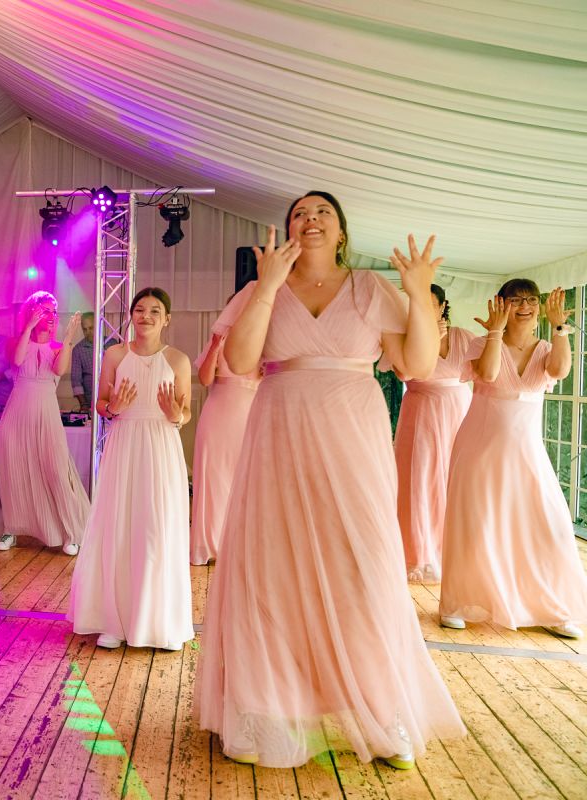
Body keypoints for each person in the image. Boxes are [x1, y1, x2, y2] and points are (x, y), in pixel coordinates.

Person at [195, 192, 465, 770]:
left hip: (353, 437)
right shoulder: (263, 287)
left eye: (322, 212)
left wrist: (419, 294)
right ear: (288, 229)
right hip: (279, 432)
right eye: (300, 213)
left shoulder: (369, 288)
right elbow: (239, 361)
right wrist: (267, 287)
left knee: (363, 565)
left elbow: (416, 365)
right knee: (273, 567)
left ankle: (380, 710)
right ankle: (267, 709)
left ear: (341, 231)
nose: (310, 219)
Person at [439, 282, 587, 638]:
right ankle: (458, 604)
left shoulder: (547, 347)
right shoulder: (481, 342)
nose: (525, 306)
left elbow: (560, 371)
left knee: (547, 522)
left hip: (527, 449)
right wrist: (495, 332)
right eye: (517, 299)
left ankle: (552, 606)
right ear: (501, 304)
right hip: (479, 448)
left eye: (531, 300)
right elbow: (489, 374)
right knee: (477, 524)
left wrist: (559, 327)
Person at [68, 287, 194, 651]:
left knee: (156, 528)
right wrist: (113, 408)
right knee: (120, 526)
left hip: (161, 446)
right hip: (124, 444)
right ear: (131, 316)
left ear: (166, 319)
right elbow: (101, 403)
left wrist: (176, 414)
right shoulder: (115, 354)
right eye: (140, 309)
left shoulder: (178, 359)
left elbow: (184, 411)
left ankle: (158, 623)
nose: (146, 316)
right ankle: (114, 620)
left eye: (155, 311)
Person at [387, 284, 472, 583]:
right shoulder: (404, 337)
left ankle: (457, 550)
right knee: (420, 478)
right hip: (421, 410)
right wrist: (429, 337)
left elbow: (486, 373)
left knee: (455, 477)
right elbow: (404, 373)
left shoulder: (463, 337)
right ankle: (419, 552)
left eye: (428, 303)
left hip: (458, 410)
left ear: (442, 306)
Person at [0, 292, 90, 555]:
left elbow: (59, 370)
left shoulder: (59, 347)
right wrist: (28, 327)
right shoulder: (15, 342)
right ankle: (12, 529)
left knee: (57, 470)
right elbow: (17, 360)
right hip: (16, 415)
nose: (50, 316)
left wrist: (68, 339)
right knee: (13, 472)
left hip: (46, 415)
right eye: (44, 311)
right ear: (31, 313)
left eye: (53, 312)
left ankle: (72, 532)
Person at [190, 299, 260, 565]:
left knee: (247, 479)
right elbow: (205, 379)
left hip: (251, 413)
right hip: (218, 414)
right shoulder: (218, 338)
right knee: (213, 479)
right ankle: (209, 545)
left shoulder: (263, 338)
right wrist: (215, 346)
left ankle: (241, 546)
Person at [70, 312, 117, 413]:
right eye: (85, 329)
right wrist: (83, 405)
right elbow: (76, 380)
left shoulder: (112, 343)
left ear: (98, 326)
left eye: (91, 328)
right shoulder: (78, 349)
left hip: (113, 399)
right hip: (91, 401)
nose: (88, 332)